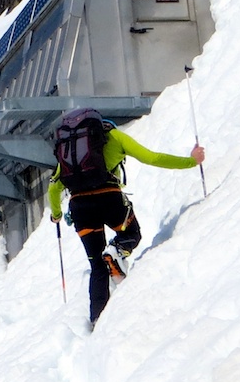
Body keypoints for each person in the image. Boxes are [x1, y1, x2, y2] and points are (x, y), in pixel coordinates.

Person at [48, 114, 204, 325]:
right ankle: (117, 250)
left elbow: (53, 188)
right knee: (131, 233)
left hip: (80, 208)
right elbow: (152, 158)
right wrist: (191, 161)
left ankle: (97, 320)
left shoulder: (70, 152)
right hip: (109, 199)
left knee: (96, 266)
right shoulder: (114, 136)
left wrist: (56, 214)